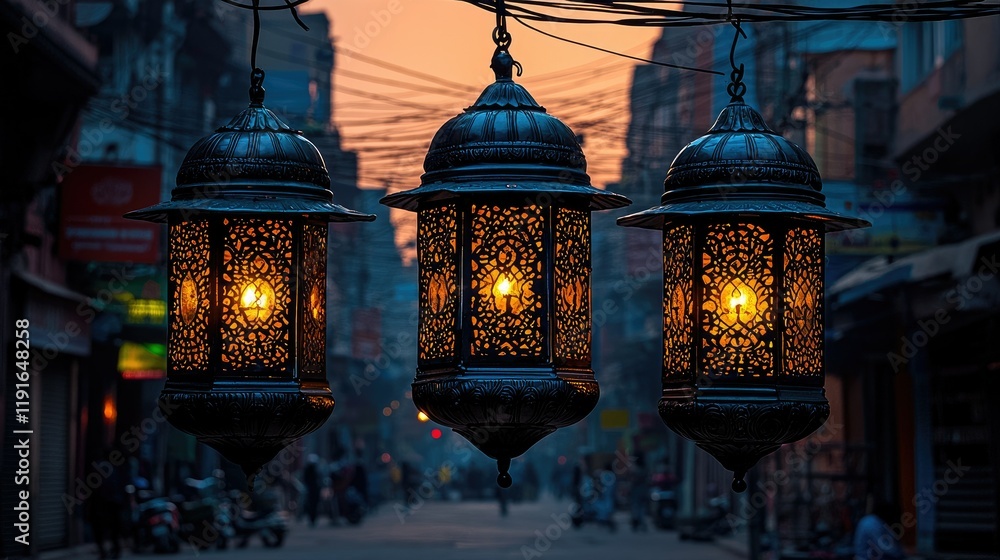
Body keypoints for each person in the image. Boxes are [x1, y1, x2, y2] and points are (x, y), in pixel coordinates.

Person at [628, 452, 649, 532]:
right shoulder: (645, 468)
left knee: (636, 506)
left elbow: (633, 480)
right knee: (642, 507)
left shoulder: (635, 469)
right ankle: (641, 522)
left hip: (636, 490)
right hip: (643, 490)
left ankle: (636, 522)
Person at [302, 454, 323, 527]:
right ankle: (312, 519)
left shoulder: (316, 469)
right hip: (311, 490)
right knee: (311, 505)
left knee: (314, 505)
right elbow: (306, 479)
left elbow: (320, 478)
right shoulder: (308, 470)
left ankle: (313, 519)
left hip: (315, 489)